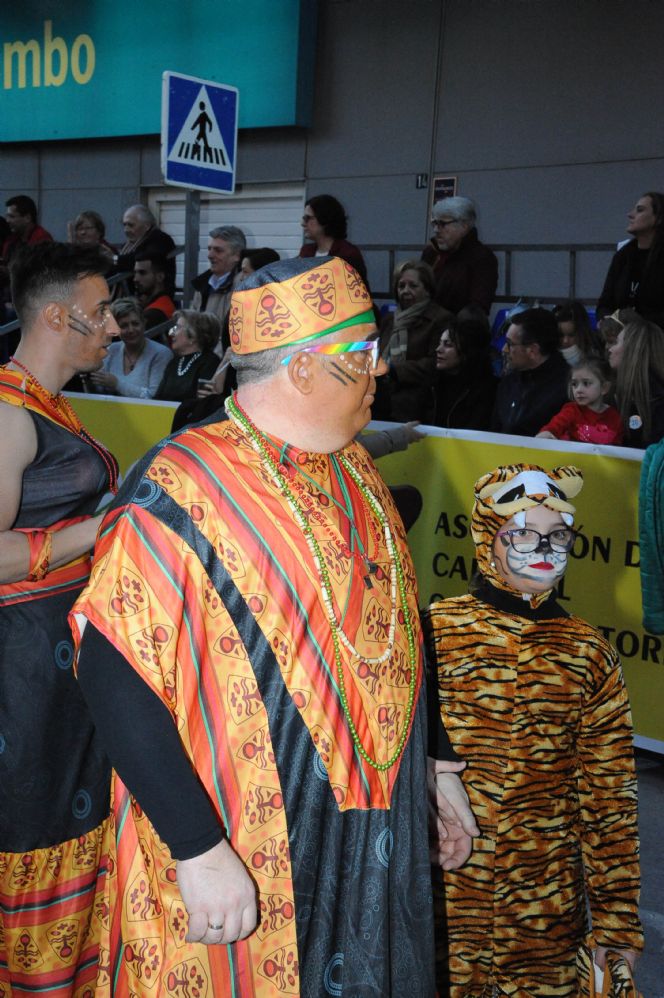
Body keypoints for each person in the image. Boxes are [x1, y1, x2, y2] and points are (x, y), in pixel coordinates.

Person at [70, 255, 478, 996]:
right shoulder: (179, 486)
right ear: (300, 370)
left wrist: (436, 764)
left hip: (372, 831)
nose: (378, 372)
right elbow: (111, 668)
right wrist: (197, 847)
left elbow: (394, 625)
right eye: (362, 356)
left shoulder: (353, 469)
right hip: (247, 833)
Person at [422, 463, 643, 997]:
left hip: (544, 909)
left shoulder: (589, 651)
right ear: (486, 537)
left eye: (558, 533)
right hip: (441, 899)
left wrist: (616, 922)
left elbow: (610, 796)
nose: (542, 546)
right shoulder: (433, 629)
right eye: (521, 531)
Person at [0, 242, 119, 995]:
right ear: (55, 314)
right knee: (35, 824)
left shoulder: (47, 403)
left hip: (60, 652)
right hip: (20, 662)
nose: (112, 326)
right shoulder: (8, 411)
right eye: (100, 311)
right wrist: (105, 529)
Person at [379, 259, 452, 423]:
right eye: (401, 286)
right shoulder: (389, 320)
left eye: (413, 286)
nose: (406, 290)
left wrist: (394, 370)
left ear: (427, 290)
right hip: (383, 397)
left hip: (417, 401)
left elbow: (435, 364)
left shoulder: (440, 319)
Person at [491, 307, 569, 437]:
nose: (504, 349)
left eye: (510, 344)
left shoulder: (568, 387)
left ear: (532, 350)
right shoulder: (508, 383)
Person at [597, 191, 664, 329]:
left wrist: (636, 324)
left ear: (658, 218)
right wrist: (607, 319)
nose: (630, 215)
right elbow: (604, 304)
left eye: (639, 210)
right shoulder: (623, 256)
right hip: (622, 339)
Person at [421, 196, 498, 315]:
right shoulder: (430, 253)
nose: (436, 230)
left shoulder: (482, 258)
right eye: (435, 223)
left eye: (442, 224)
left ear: (464, 226)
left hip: (457, 329)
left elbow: (478, 307)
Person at [89, 297, 171, 398]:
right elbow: (97, 390)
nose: (131, 330)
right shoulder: (111, 350)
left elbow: (152, 396)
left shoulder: (161, 354)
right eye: (124, 326)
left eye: (135, 324)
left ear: (144, 324)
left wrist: (116, 384)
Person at [608, 311, 664, 447]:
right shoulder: (610, 391)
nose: (610, 349)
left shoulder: (658, 405)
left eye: (616, 342)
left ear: (632, 349)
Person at [537, 357, 623, 445]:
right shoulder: (571, 410)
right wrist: (547, 433)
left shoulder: (615, 417)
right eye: (574, 384)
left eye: (586, 383)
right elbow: (554, 427)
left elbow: (617, 449)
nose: (578, 390)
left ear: (604, 388)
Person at [434, 315, 497, 429]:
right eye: (440, 343)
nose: (438, 349)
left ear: (468, 350)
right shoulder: (432, 383)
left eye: (448, 345)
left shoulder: (487, 390)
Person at [299, 194, 368, 283]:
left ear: (325, 219)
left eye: (307, 218)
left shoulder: (348, 254)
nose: (303, 223)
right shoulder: (306, 252)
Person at [155, 309, 220, 402]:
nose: (171, 333)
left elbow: (202, 402)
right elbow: (158, 398)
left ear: (193, 336)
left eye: (177, 328)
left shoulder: (210, 362)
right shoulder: (174, 362)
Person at [191, 224, 247, 329]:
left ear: (237, 255)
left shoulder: (244, 287)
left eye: (218, 250)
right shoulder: (202, 285)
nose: (210, 255)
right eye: (209, 249)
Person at [116, 203, 176, 294]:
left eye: (131, 225)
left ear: (147, 226)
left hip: (153, 297)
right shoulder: (129, 244)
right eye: (124, 225)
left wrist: (113, 259)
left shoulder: (160, 239)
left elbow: (142, 260)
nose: (126, 230)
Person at [133, 252, 177, 330]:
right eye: (135, 273)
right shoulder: (162, 303)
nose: (136, 279)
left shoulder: (155, 313)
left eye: (142, 273)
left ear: (160, 277)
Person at [553, 300, 604, 366]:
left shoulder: (596, 358)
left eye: (571, 335)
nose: (565, 341)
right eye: (561, 335)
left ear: (583, 333)